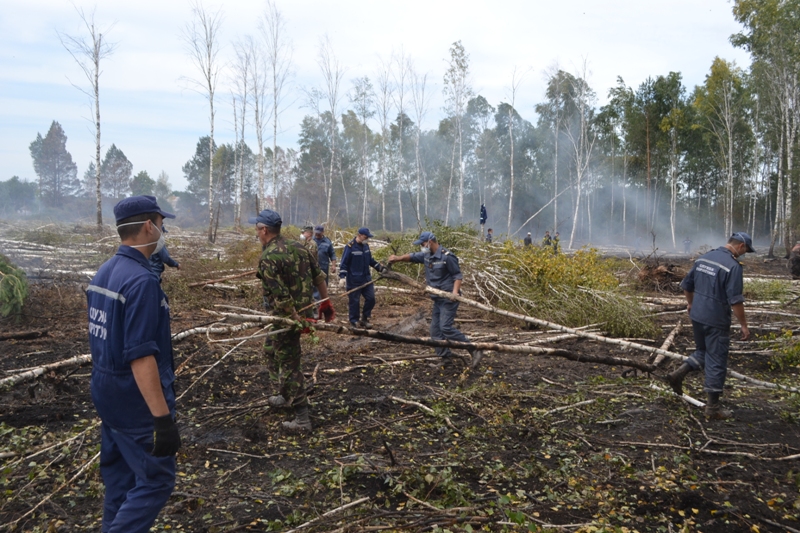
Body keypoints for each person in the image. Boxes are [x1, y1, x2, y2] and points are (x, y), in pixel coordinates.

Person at [87, 195, 181, 533]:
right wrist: (162, 420)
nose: (163, 231)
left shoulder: (105, 271)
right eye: (162, 224)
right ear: (147, 226)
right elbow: (140, 356)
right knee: (156, 480)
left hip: (106, 393)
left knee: (122, 481)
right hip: (134, 402)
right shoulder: (141, 283)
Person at [251, 209, 335, 431]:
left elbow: (281, 297)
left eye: (257, 230)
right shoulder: (299, 247)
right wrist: (325, 302)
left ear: (264, 230)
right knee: (270, 350)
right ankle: (285, 394)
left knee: (290, 365)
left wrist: (296, 320)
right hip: (295, 315)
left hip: (287, 318)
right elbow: (319, 277)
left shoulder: (268, 258)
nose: (257, 234)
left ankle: (302, 417)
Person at [667, 232, 753, 420]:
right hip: (716, 319)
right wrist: (744, 326)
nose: (745, 254)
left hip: (698, 315)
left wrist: (690, 304)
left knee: (703, 351)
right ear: (740, 246)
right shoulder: (733, 266)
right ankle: (713, 408)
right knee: (716, 359)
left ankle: (679, 374)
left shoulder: (703, 258)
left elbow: (687, 285)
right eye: (746, 250)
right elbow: (736, 300)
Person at [388, 231, 485, 369]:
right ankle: (446, 358)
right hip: (437, 299)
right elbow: (412, 257)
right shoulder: (427, 255)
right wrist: (397, 258)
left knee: (445, 327)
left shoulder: (447, 256)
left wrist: (455, 293)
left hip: (448, 298)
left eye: (422, 244)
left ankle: (474, 349)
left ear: (430, 242)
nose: (421, 246)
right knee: (435, 331)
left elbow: (457, 276)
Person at [338, 227, 385, 328]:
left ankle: (365, 318)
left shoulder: (366, 246)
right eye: (365, 237)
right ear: (359, 235)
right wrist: (342, 277)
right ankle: (354, 321)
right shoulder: (350, 247)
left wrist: (380, 268)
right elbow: (344, 263)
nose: (367, 239)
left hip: (366, 279)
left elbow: (370, 260)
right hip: (354, 280)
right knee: (354, 302)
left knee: (371, 298)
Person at [313, 225, 337, 300]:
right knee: (313, 286)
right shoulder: (311, 241)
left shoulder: (327, 242)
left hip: (324, 267)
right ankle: (315, 302)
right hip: (313, 267)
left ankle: (322, 302)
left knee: (323, 285)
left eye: (319, 233)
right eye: (316, 233)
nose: (317, 235)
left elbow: (332, 254)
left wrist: (333, 265)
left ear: (323, 232)